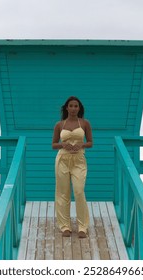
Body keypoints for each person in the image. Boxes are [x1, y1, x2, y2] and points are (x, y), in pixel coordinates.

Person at [52, 96, 93, 238]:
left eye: (76, 106)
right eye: (71, 106)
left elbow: (90, 143)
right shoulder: (59, 124)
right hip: (62, 159)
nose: (74, 108)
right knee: (62, 193)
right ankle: (65, 227)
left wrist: (81, 144)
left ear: (79, 108)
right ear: (66, 108)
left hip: (79, 160)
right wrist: (63, 144)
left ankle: (82, 227)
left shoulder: (85, 123)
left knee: (79, 191)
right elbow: (53, 145)